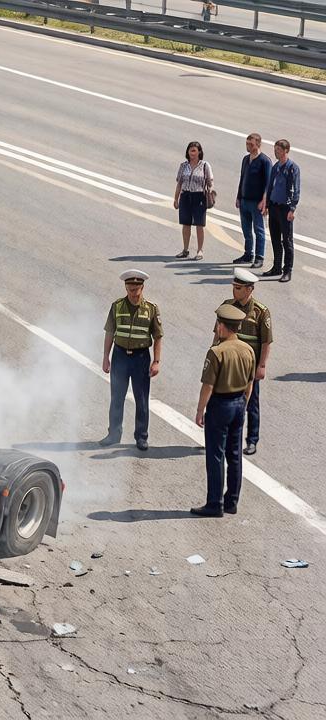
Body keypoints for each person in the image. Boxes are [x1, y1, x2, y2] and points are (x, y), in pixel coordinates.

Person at [191, 304, 256, 517]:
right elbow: (250, 382)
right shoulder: (248, 349)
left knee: (216, 455)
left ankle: (214, 504)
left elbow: (208, 385)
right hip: (239, 403)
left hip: (220, 405)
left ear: (221, 326)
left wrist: (200, 410)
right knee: (235, 454)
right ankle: (231, 502)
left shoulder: (217, 351)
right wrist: (243, 404)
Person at [100, 269, 163, 451]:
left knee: (141, 399)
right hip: (120, 356)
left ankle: (141, 437)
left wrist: (157, 361)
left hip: (141, 358)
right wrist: (106, 357)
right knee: (116, 397)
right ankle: (114, 434)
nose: (132, 293)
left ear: (142, 288)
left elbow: (158, 336)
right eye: (129, 289)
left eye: (136, 289)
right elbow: (110, 332)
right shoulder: (117, 306)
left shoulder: (151, 309)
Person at [218, 268, 272, 456]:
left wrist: (262, 365)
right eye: (234, 287)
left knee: (250, 404)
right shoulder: (226, 306)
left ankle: (252, 440)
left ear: (249, 289)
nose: (235, 291)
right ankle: (221, 438)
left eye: (239, 288)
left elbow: (266, 342)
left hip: (249, 368)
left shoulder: (260, 312)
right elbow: (217, 335)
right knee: (222, 402)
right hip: (227, 366)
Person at [260, 139, 300, 283]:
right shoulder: (276, 166)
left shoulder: (292, 168)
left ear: (285, 151)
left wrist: (292, 208)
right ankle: (276, 267)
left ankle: (287, 270)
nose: (275, 152)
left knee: (287, 241)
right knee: (275, 240)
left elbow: (296, 190)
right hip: (274, 207)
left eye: (278, 150)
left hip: (285, 209)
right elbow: (270, 187)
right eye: (275, 149)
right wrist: (267, 206)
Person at [233, 133, 271, 268]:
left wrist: (264, 201)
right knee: (246, 229)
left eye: (251, 144)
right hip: (244, 201)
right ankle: (248, 254)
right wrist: (238, 197)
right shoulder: (245, 159)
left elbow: (268, 184)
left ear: (258, 144)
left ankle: (259, 257)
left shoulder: (265, 161)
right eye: (247, 143)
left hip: (257, 203)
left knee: (259, 230)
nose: (248, 146)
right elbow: (242, 178)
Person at [173, 141, 212, 260]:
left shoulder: (205, 165)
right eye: (190, 151)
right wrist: (176, 198)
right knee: (186, 224)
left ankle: (200, 251)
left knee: (199, 225)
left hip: (199, 196)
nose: (192, 153)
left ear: (199, 152)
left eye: (194, 151)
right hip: (185, 196)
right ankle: (185, 250)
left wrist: (210, 192)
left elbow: (210, 182)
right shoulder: (183, 166)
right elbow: (179, 183)